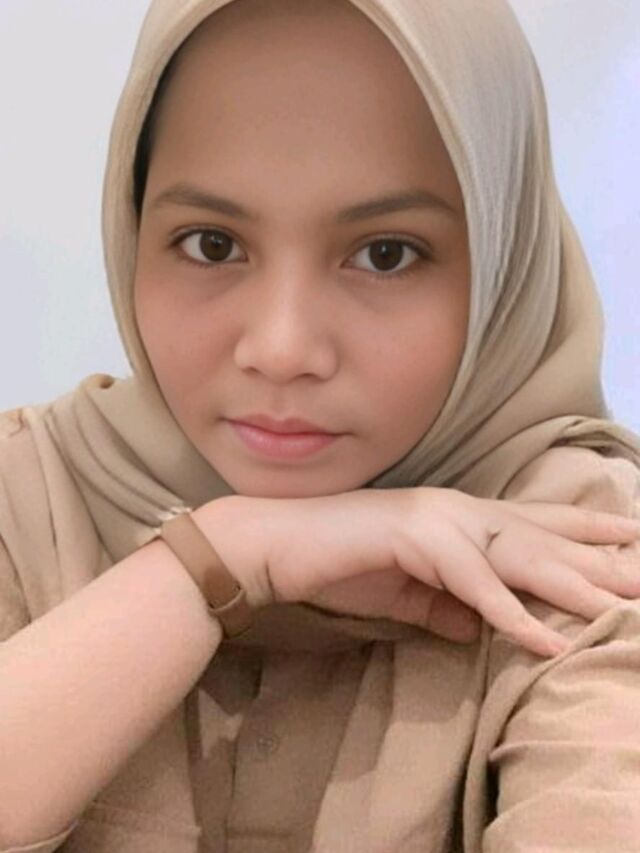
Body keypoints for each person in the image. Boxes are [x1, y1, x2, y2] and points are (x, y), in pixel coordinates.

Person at [0, 0, 639, 850]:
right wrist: (218, 560)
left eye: (385, 253)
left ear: (501, 258)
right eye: (212, 244)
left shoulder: (581, 544)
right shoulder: (28, 496)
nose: (282, 349)